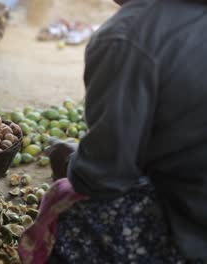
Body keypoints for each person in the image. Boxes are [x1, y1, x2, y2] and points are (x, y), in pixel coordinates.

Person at [19, 0, 207, 263]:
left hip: (194, 233)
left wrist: (73, 163)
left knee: (71, 215)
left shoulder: (126, 35)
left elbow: (102, 179)